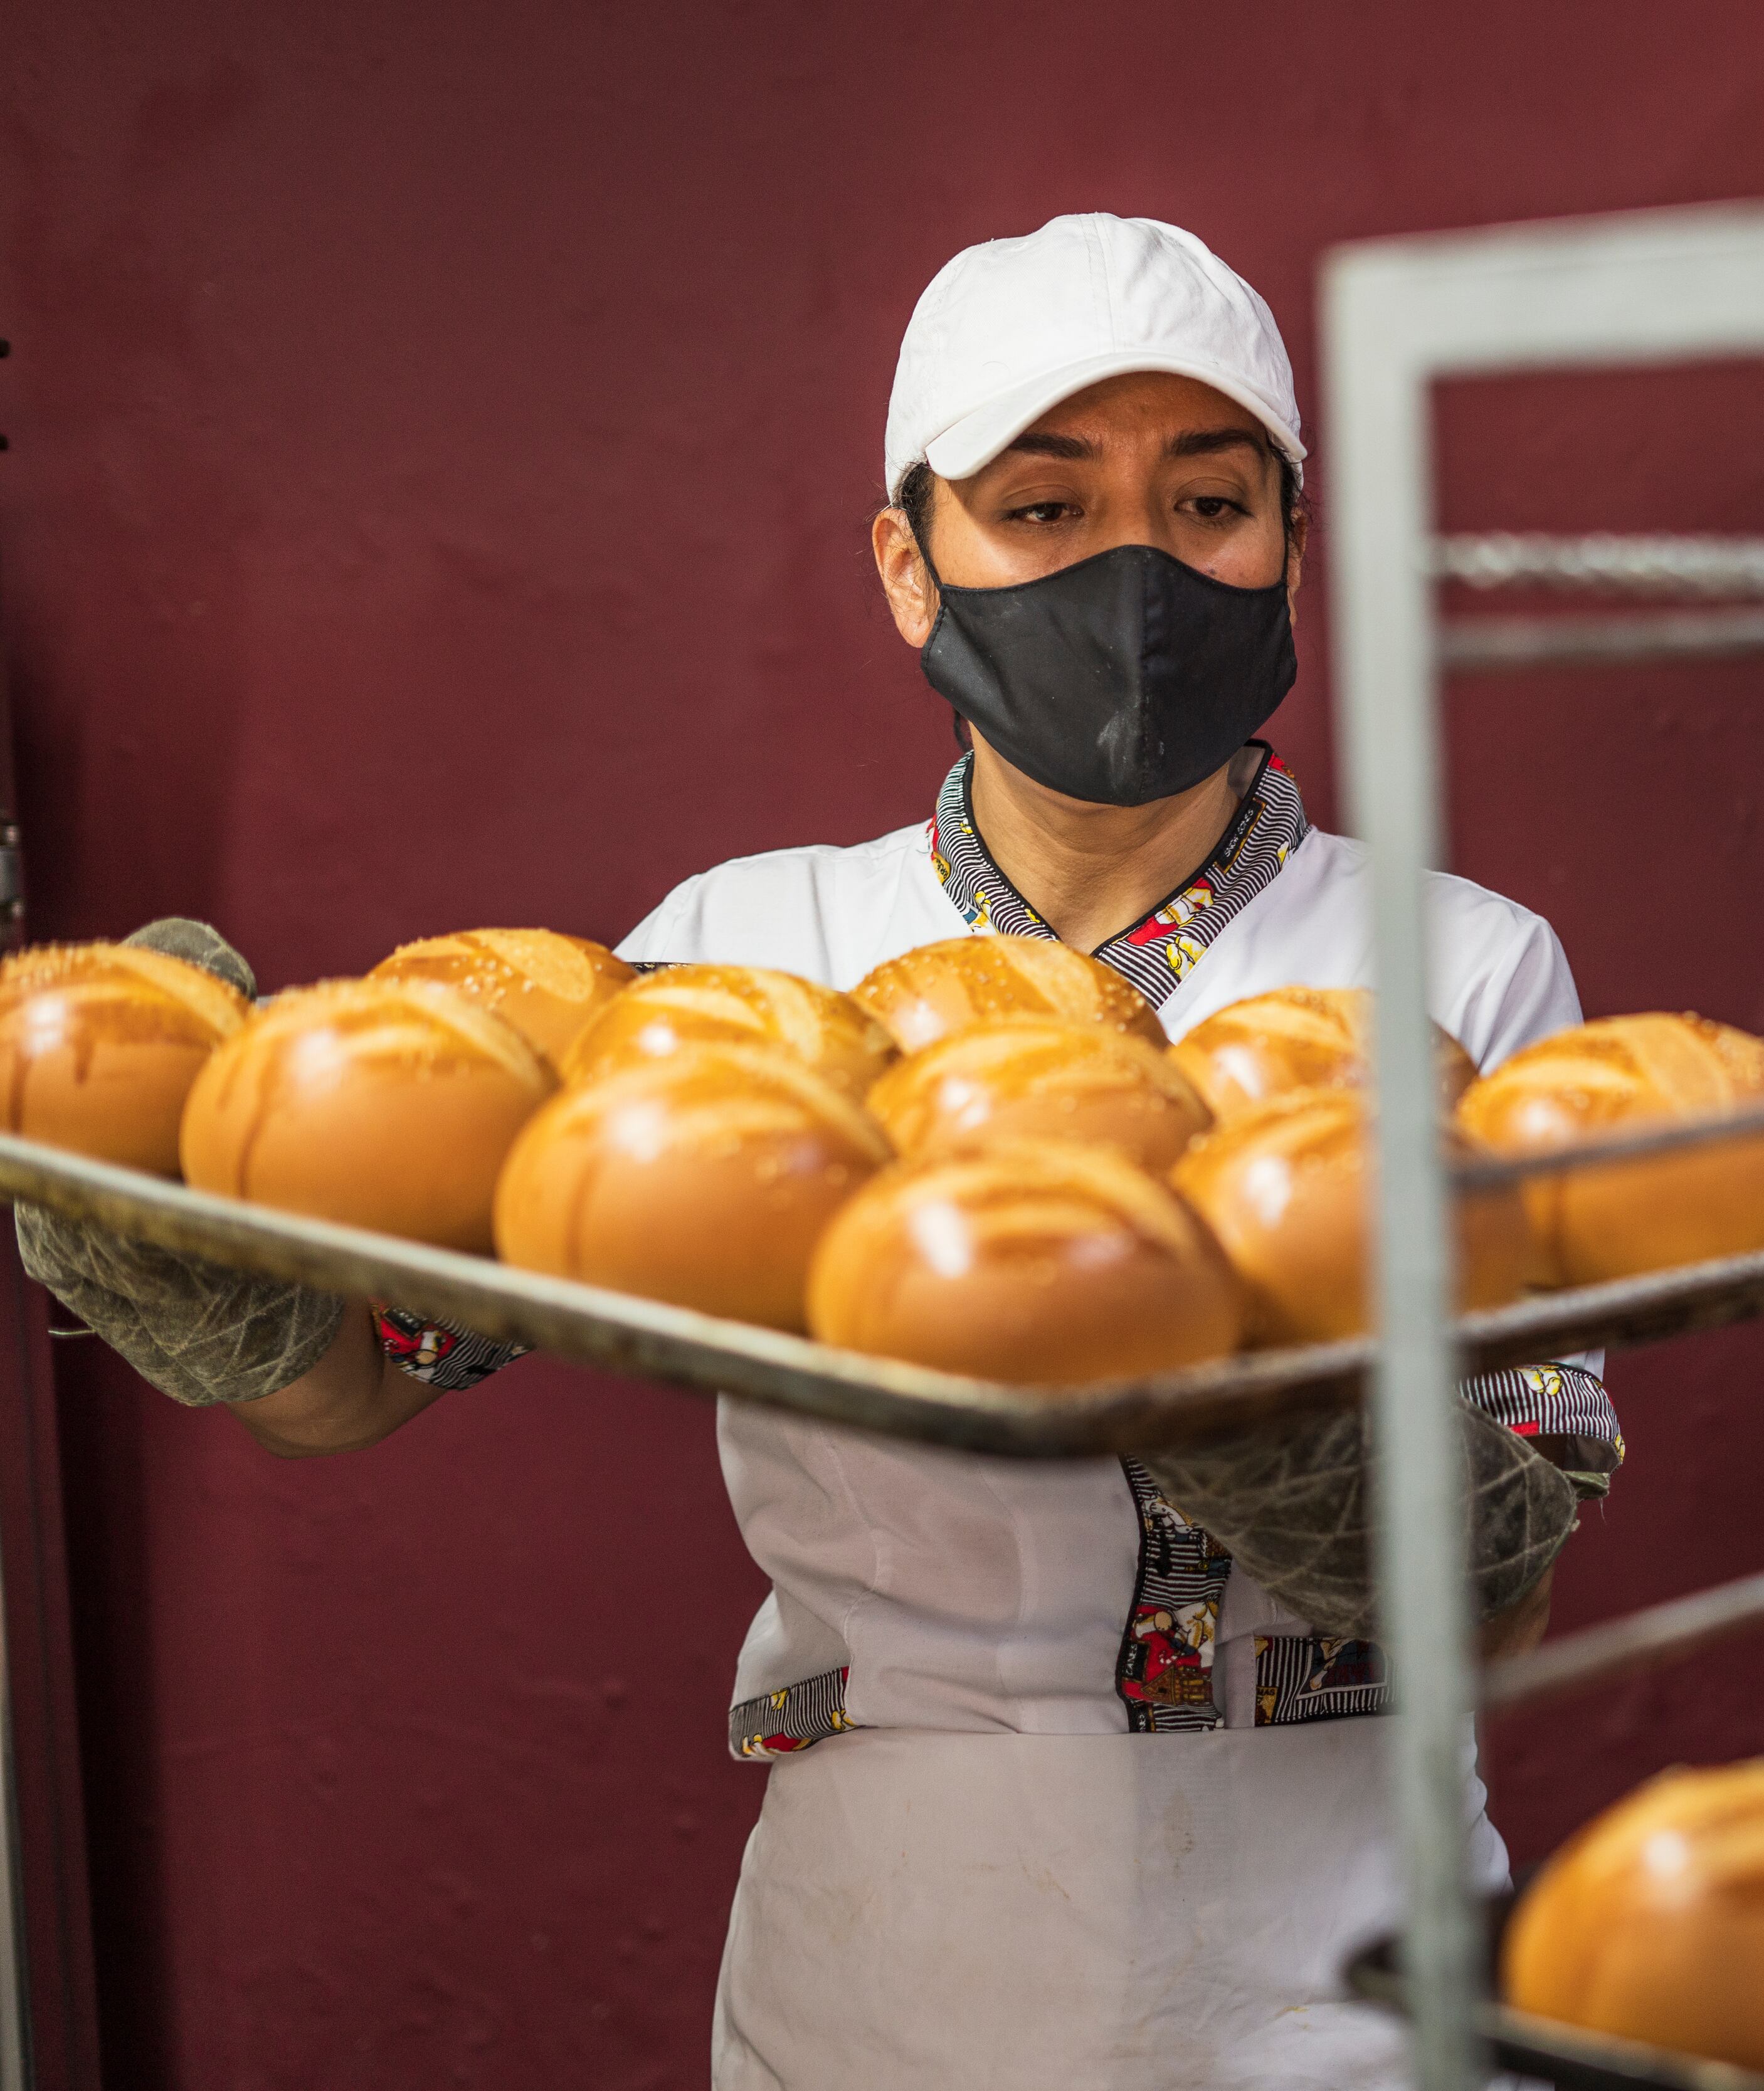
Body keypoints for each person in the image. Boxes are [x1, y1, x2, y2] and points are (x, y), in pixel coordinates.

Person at [19, 214, 1618, 2088]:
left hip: (1347, 1965)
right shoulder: (743, 961)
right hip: (887, 1965)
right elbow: (362, 1384)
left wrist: (1236, 1359)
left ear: (1288, 550)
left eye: (1207, 506)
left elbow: (1507, 1592)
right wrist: (186, 1262)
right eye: (1039, 510)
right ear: (907, 565)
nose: (1136, 570)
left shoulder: (1461, 977)